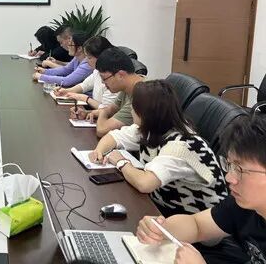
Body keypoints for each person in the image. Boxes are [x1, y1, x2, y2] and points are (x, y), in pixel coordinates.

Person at [136, 116, 266, 264]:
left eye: (240, 169)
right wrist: (162, 229)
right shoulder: (242, 205)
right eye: (230, 165)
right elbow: (197, 225)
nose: (229, 177)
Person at [90, 80, 227, 217]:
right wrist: (99, 151)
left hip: (196, 219)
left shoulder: (181, 146)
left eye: (134, 108)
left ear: (145, 113)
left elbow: (144, 184)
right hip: (163, 206)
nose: (131, 111)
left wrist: (121, 162)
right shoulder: (151, 127)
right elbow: (114, 136)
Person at [74, 47, 145, 137]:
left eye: (104, 78)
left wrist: (102, 112)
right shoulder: (128, 85)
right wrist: (88, 113)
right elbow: (112, 109)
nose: (103, 83)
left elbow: (102, 130)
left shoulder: (140, 95)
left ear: (120, 75)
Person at [54, 35, 118, 109]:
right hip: (96, 112)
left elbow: (107, 110)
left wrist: (86, 99)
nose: (86, 60)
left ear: (101, 57)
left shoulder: (113, 77)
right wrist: (67, 91)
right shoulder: (97, 71)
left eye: (89, 57)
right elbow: (85, 85)